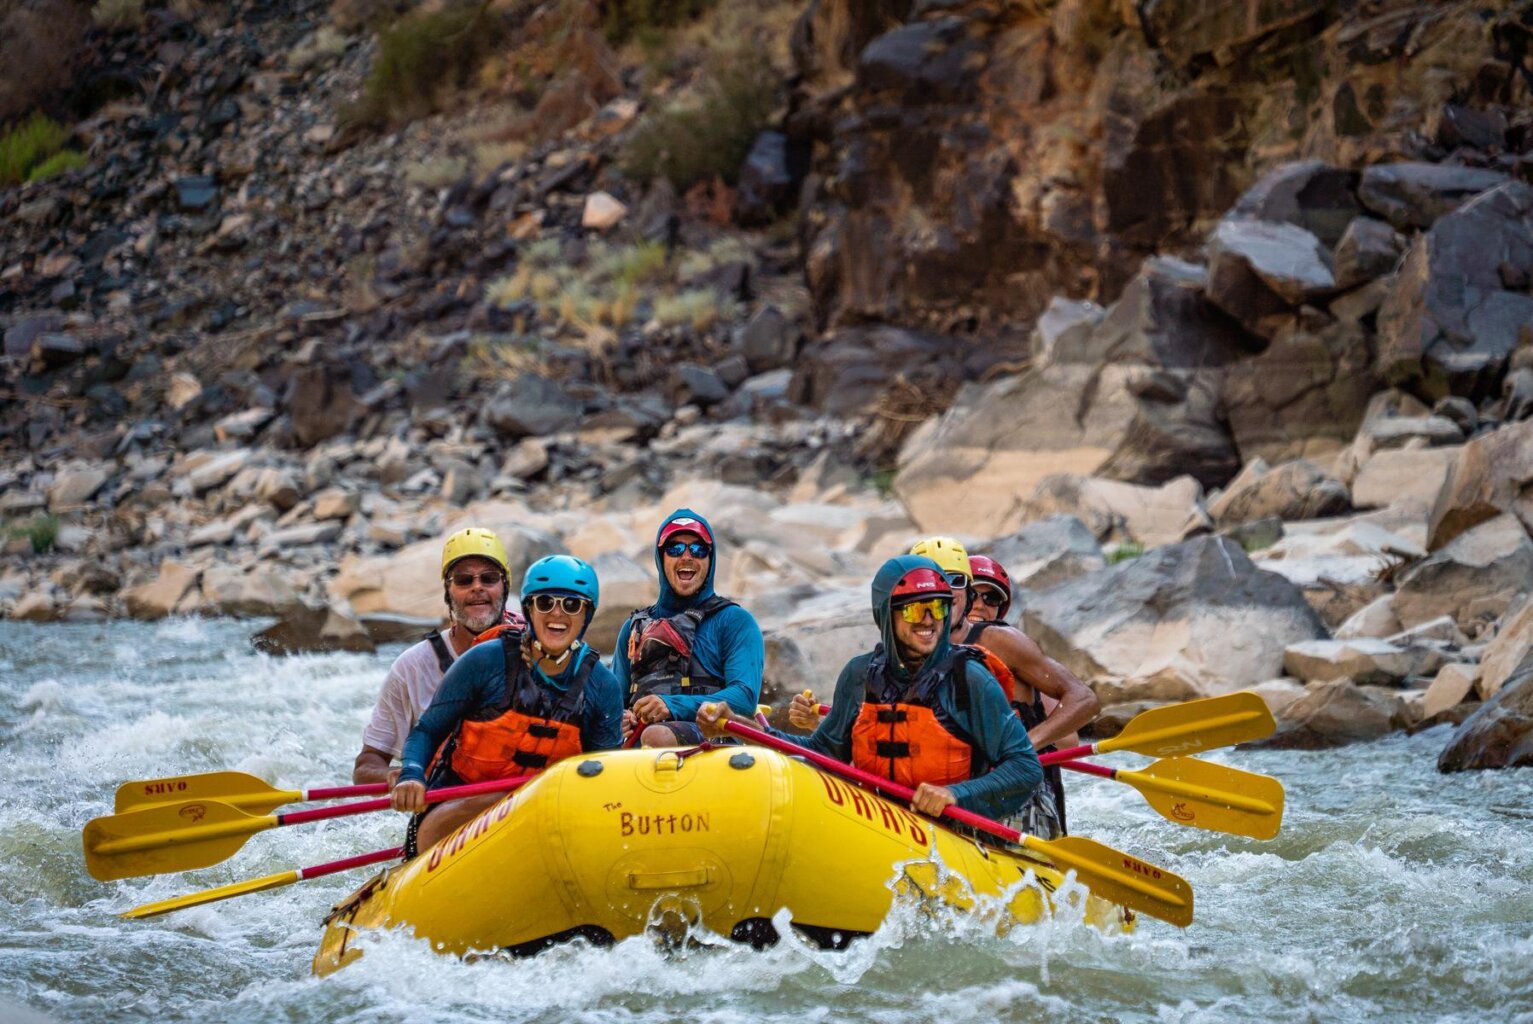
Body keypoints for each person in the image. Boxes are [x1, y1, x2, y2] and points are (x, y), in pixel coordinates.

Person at [700, 555, 1041, 822]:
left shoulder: (969, 679)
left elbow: (1025, 767)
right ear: (886, 615)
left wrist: (956, 794)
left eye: (937, 606)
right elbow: (822, 753)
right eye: (913, 609)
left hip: (954, 835)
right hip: (876, 824)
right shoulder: (859, 676)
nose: (928, 620)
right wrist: (744, 729)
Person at [389, 555, 622, 854]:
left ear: (586, 614)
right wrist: (411, 774)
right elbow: (427, 730)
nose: (558, 614)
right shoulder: (485, 661)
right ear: (529, 608)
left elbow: (604, 778)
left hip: (547, 820)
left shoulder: (602, 687)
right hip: (457, 812)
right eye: (545, 602)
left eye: (572, 605)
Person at [353, 527, 525, 785]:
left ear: (505, 586)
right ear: (448, 591)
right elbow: (366, 767)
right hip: (446, 805)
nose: (477, 588)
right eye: (464, 580)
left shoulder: (534, 650)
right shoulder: (411, 667)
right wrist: (397, 776)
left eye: (488, 578)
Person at [613, 509, 765, 747]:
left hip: (715, 742)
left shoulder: (735, 621)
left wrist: (672, 705)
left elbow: (744, 698)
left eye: (698, 549)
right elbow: (612, 703)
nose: (686, 556)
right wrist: (620, 718)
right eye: (674, 549)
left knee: (656, 736)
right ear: (661, 558)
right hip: (640, 747)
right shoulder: (632, 630)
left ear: (709, 560)